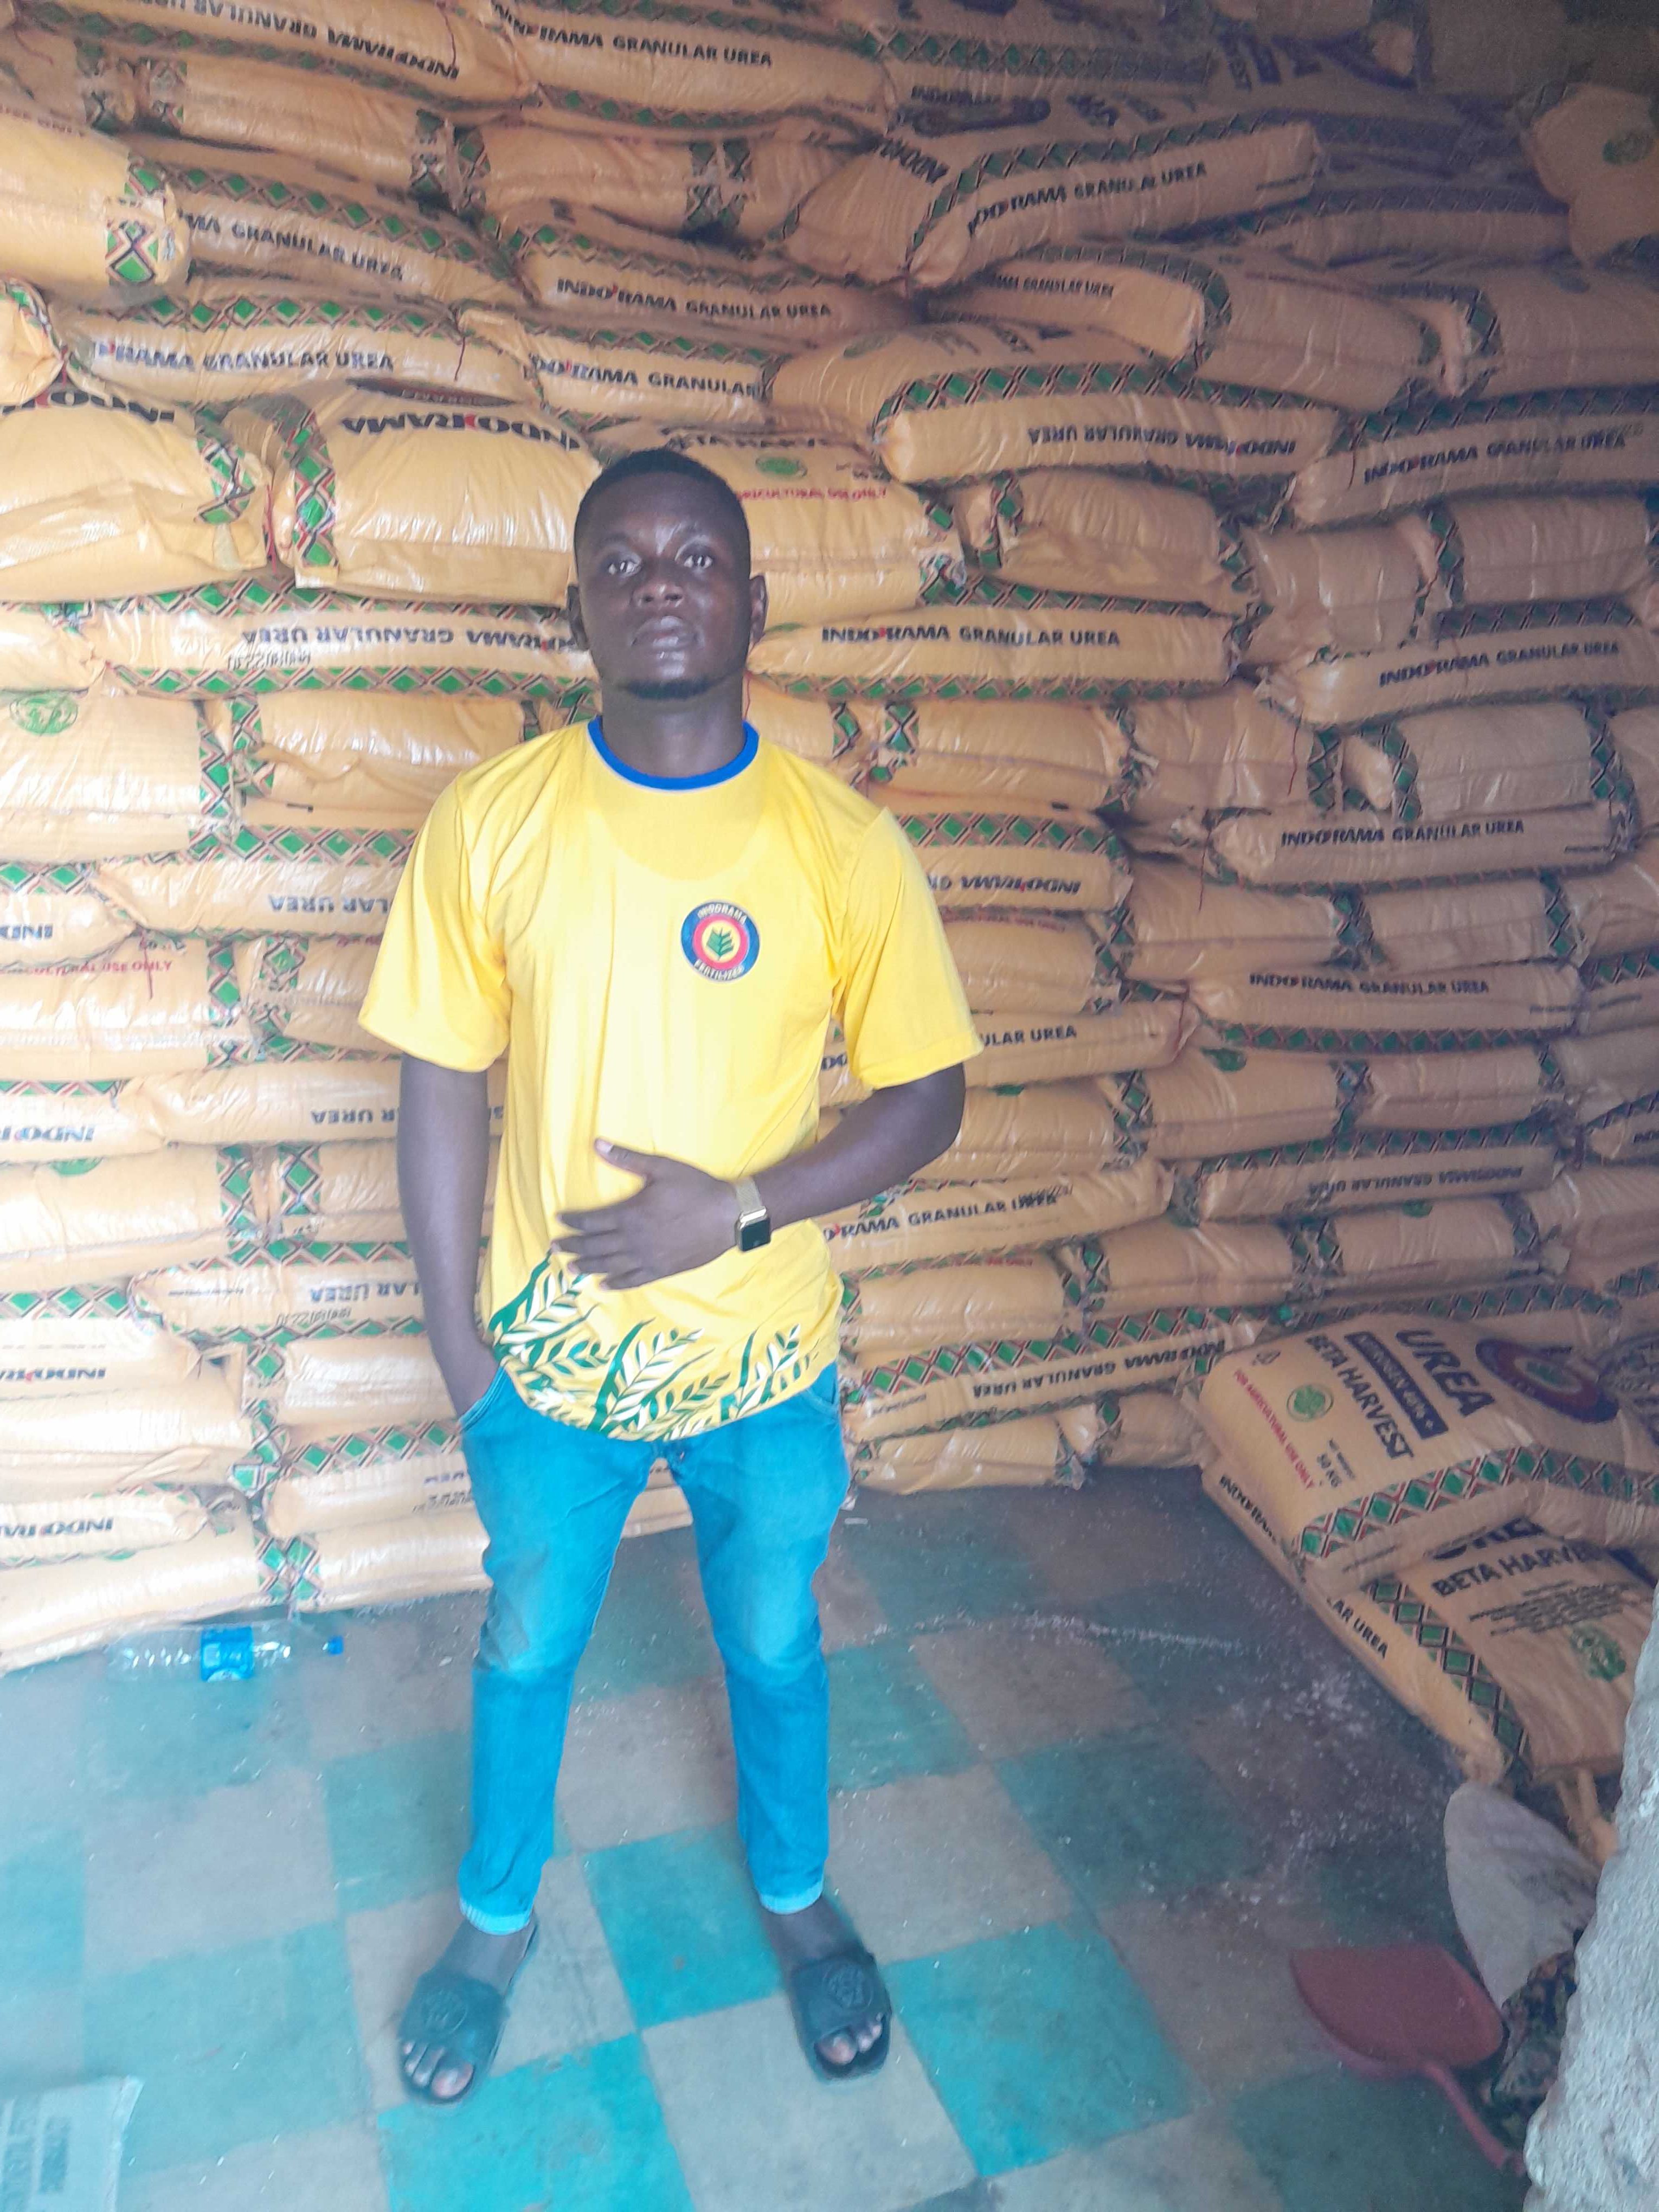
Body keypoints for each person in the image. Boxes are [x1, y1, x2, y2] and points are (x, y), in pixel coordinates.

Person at [358, 446, 980, 2103]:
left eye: (693, 557)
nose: (658, 584)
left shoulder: (839, 844)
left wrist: (741, 1210)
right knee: (524, 1647)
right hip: (547, 1371)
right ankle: (494, 1922)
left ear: (752, 601)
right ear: (575, 608)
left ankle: (792, 1892)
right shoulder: (493, 821)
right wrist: (459, 1351)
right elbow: (440, 1083)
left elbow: (926, 1096)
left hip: (763, 1371)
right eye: (621, 562)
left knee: (771, 1640)